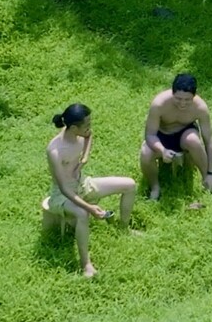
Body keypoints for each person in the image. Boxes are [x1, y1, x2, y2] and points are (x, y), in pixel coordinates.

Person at [42, 104, 139, 278]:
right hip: (61, 195)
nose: (90, 127)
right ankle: (85, 264)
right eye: (86, 124)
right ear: (73, 127)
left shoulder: (80, 133)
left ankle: (124, 228)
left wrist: (84, 159)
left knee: (130, 184)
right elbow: (64, 189)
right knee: (82, 213)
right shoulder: (55, 150)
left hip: (83, 184)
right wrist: (89, 208)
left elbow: (89, 135)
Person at [140, 71, 212, 205]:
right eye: (178, 98)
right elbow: (150, 135)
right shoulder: (159, 104)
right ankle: (155, 187)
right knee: (145, 154)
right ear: (172, 92)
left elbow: (209, 140)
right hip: (161, 135)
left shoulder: (200, 108)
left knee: (194, 141)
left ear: (194, 96)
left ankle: (207, 180)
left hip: (185, 134)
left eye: (187, 99)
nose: (182, 103)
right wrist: (162, 150)